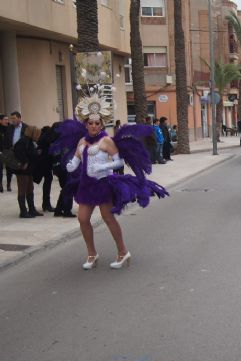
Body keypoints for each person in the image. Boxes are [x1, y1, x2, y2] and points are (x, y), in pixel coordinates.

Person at [54, 88, 169, 270]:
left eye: (97, 123)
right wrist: (71, 165)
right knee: (83, 219)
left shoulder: (106, 141)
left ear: (101, 124)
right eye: (90, 123)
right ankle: (92, 254)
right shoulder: (81, 142)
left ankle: (123, 252)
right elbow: (76, 159)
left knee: (108, 219)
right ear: (86, 124)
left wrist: (102, 166)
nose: (93, 126)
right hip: (86, 185)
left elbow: (118, 162)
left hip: (102, 184)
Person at [12, 124, 42, 218]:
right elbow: (19, 153)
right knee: (22, 190)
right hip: (22, 171)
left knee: (30, 189)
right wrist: (25, 162)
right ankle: (23, 211)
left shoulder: (29, 141)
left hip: (28, 170)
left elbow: (30, 153)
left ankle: (31, 209)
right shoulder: (23, 141)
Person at [0, 114, 13, 192]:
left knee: (9, 169)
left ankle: (8, 184)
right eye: (5, 119)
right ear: (0, 120)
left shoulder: (10, 128)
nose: (7, 121)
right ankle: (0, 185)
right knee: (0, 169)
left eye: (7, 119)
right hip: (0, 152)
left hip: (9, 151)